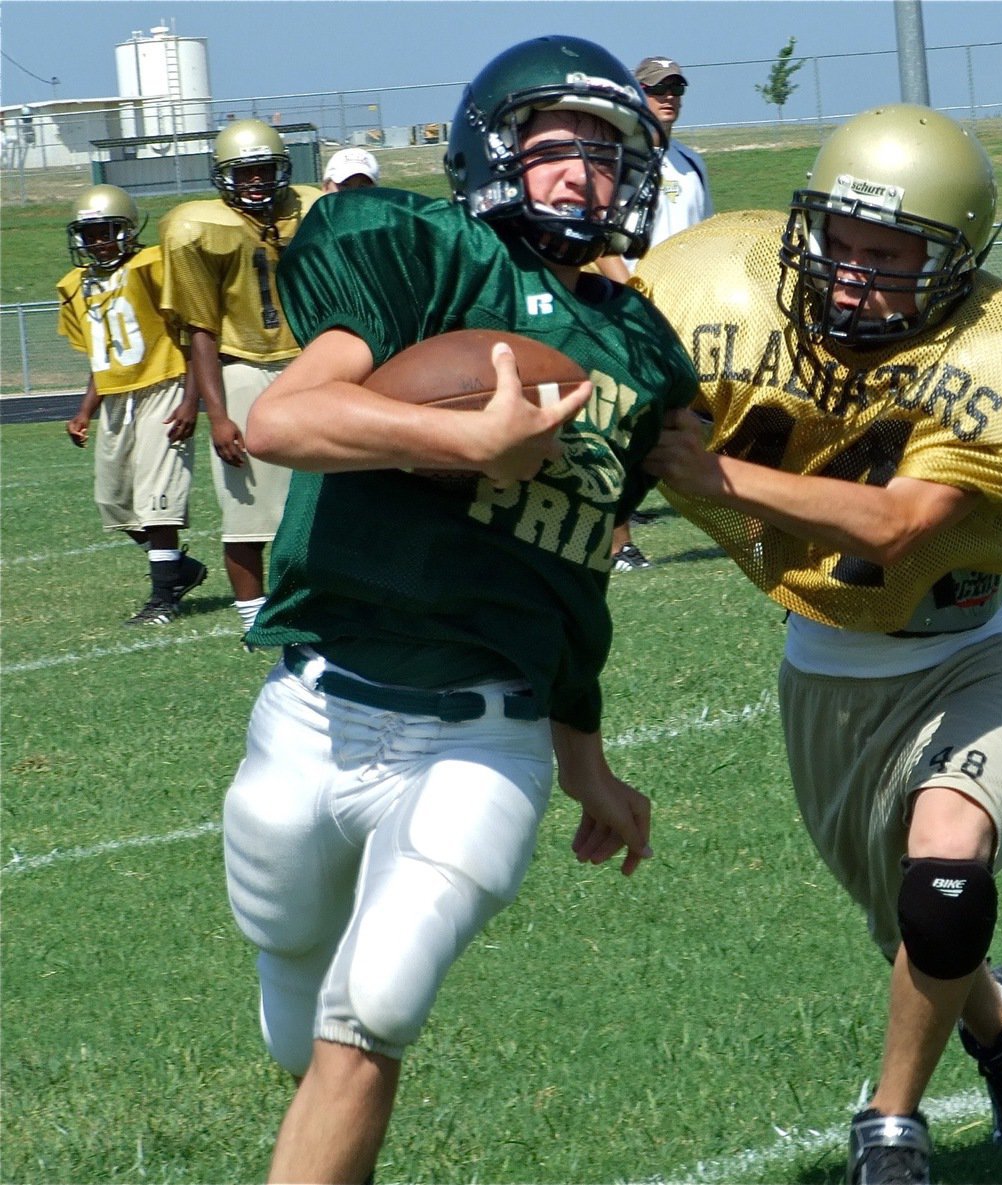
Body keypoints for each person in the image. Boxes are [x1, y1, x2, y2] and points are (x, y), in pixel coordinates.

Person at [221, 35, 697, 1184]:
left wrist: (584, 758)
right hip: (316, 706)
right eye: (555, 149)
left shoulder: (644, 350)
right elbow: (284, 422)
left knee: (371, 1013)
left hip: (484, 734)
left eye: (606, 151)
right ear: (494, 153)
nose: (584, 172)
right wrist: (466, 440)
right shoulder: (420, 250)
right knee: (302, 1013)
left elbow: (571, 571)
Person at [635, 104, 1002, 1185]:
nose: (853, 274)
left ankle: (890, 1131)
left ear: (953, 263)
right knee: (922, 937)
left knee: (944, 886)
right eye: (840, 244)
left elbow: (900, 526)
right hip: (826, 674)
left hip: (970, 658)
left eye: (889, 254)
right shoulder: (730, 291)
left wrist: (711, 477)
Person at [158, 119, 321, 634]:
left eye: (264, 170)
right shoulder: (196, 228)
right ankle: (254, 618)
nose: (255, 182)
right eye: (244, 172)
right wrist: (218, 414)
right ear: (223, 176)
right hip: (242, 366)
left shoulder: (312, 209)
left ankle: (327, 601)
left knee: (325, 496)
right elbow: (201, 329)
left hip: (308, 361)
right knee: (246, 507)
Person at [57, 184, 208, 626]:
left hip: (163, 387)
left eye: (105, 231)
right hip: (116, 399)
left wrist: (190, 400)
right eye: (89, 234)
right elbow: (100, 355)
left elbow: (193, 332)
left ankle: (164, 597)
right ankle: (181, 569)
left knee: (156, 499)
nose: (97, 241)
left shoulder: (152, 265)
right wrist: (85, 409)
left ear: (126, 229)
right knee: (115, 501)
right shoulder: (76, 286)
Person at [600, 55, 713, 573]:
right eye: (657, 88)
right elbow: (602, 242)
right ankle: (617, 542)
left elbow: (707, 240)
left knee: (692, 418)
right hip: (630, 311)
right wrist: (633, 297)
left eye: (676, 87)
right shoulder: (619, 161)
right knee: (621, 422)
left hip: (689, 315)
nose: (668, 96)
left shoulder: (692, 164)